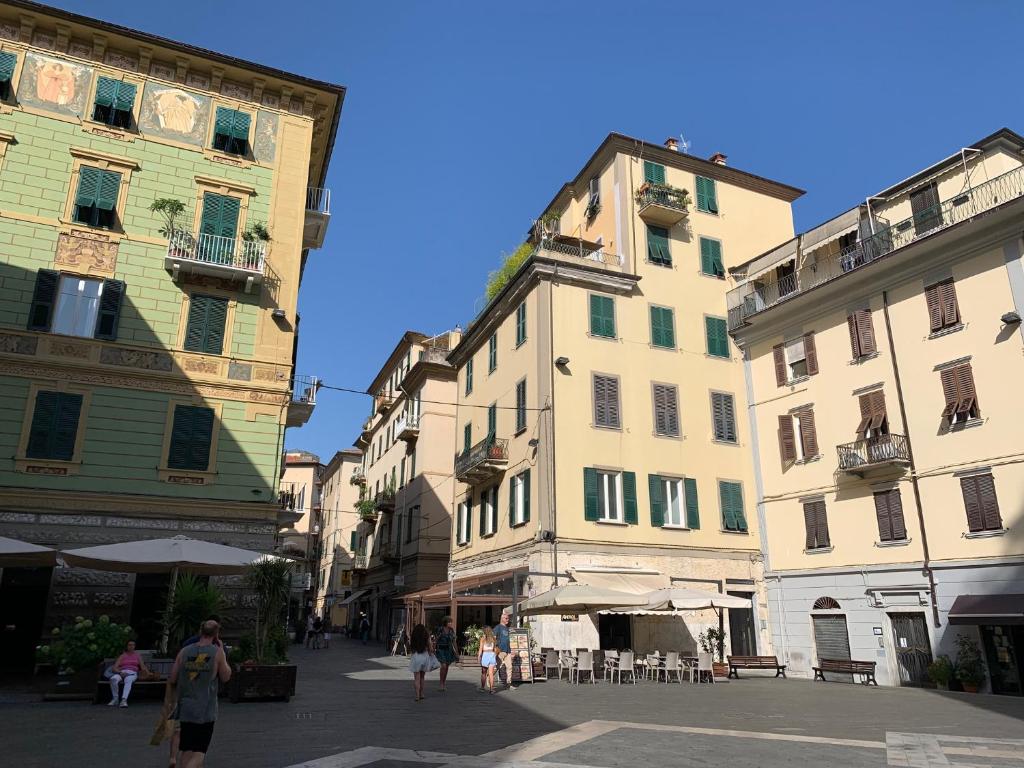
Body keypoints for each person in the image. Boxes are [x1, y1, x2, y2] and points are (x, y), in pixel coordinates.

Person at [169, 620, 231, 768]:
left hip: (186, 706)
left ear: (200, 631)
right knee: (200, 751)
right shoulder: (217, 652)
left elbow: (172, 677)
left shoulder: (184, 651)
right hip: (205, 709)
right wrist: (222, 652)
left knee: (187, 749)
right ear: (216, 634)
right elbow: (226, 676)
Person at [106, 639, 150, 707]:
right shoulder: (122, 656)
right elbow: (114, 668)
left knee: (128, 680)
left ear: (135, 646)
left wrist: (148, 673)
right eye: (130, 645)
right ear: (127, 646)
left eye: (133, 645)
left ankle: (124, 700)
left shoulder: (137, 656)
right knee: (113, 679)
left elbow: (143, 667)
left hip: (132, 673)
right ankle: (115, 699)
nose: (131, 646)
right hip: (122, 672)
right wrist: (120, 672)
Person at [408, 624, 432, 702]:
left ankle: (417, 695)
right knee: (422, 677)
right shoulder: (426, 635)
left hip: (416, 656)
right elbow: (430, 647)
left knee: (416, 678)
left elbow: (411, 647)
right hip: (424, 656)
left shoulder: (414, 636)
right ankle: (422, 694)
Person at [434, 616, 457, 692]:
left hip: (449, 650)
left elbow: (454, 641)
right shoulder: (440, 629)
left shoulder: (451, 630)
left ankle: (443, 683)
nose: (450, 623)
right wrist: (433, 648)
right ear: (445, 623)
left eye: (451, 622)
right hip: (441, 649)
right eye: (449, 622)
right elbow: (436, 639)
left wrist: (457, 652)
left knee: (446, 667)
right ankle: (441, 683)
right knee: (443, 666)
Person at [493, 610, 515, 690]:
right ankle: (489, 679)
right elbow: (493, 638)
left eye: (508, 618)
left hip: (507, 650)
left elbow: (507, 639)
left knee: (509, 667)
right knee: (496, 666)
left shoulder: (507, 628)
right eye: (506, 618)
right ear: (502, 619)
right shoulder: (498, 627)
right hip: (500, 650)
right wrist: (495, 648)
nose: (507, 620)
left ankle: (508, 684)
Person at [478, 626, 497, 694]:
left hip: (485, 655)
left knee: (484, 673)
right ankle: (491, 689)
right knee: (491, 673)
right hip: (492, 655)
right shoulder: (493, 638)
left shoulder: (483, 638)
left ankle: (482, 688)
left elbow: (481, 649)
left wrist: (479, 656)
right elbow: (495, 649)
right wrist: (494, 656)